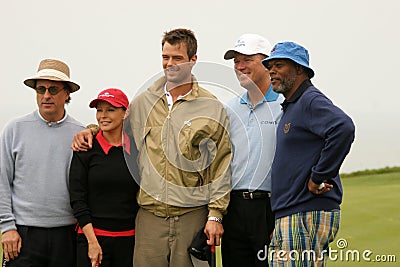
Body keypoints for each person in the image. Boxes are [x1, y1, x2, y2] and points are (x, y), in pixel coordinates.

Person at [71, 28, 232, 267]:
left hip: (192, 214)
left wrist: (215, 215)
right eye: (165, 57)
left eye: (177, 58)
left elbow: (221, 164)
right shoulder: (142, 102)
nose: (170, 64)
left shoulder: (212, 107)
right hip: (149, 216)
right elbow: (115, 124)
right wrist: (91, 129)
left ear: (193, 60)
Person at [262, 42, 355, 266]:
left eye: (279, 65)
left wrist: (318, 177)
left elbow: (343, 127)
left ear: (300, 70)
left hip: (304, 211)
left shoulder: (309, 100)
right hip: (294, 211)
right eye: (270, 66)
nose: (271, 71)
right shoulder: (294, 104)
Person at [0, 59, 84, 266]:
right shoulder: (15, 129)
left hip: (67, 235)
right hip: (22, 235)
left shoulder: (81, 134)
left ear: (67, 94)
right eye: (41, 89)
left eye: (53, 89)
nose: (46, 96)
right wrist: (7, 227)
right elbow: (2, 181)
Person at [221, 33, 284, 267]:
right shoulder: (230, 108)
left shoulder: (285, 105)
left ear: (267, 63)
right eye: (236, 61)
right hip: (234, 208)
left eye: (247, 59)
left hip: (270, 208)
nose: (240, 66)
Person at [69, 88, 140, 267]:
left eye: (110, 109)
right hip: (93, 240)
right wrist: (92, 242)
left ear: (125, 113)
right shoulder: (85, 149)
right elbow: (77, 199)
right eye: (99, 110)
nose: (103, 116)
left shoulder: (137, 150)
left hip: (129, 242)